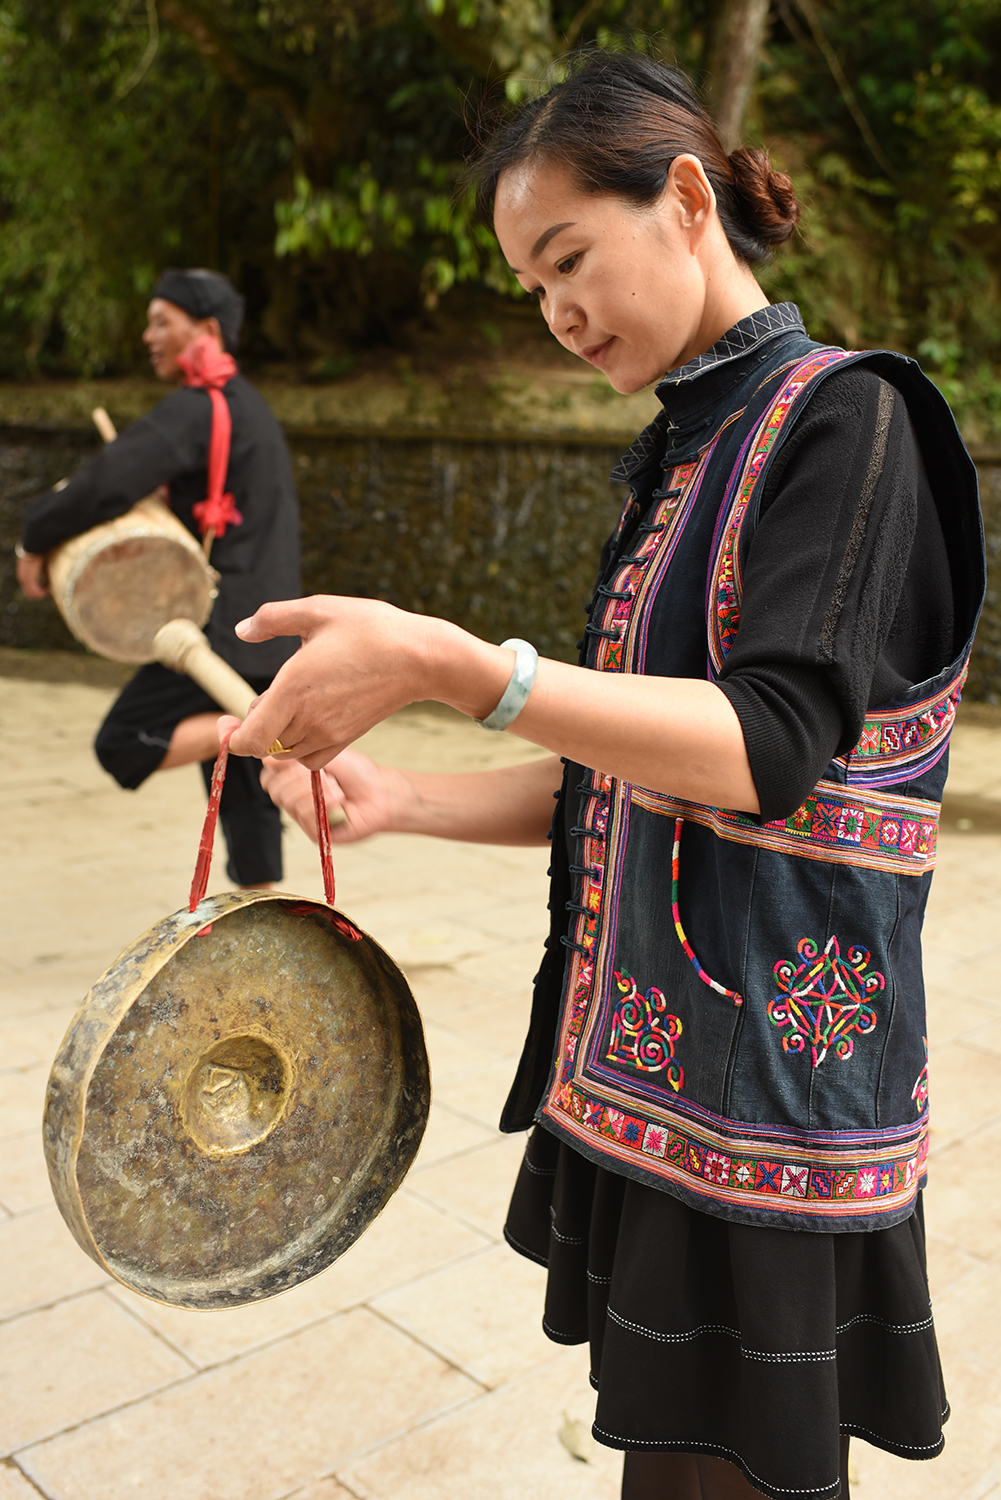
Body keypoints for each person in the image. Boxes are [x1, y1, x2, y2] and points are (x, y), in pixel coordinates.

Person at [221, 53, 982, 1499]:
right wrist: (406, 802)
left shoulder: (848, 422)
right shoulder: (685, 451)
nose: (557, 311)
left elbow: (767, 753)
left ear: (686, 200)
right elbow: (625, 777)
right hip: (658, 1077)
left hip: (770, 1101)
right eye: (530, 285)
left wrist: (459, 663)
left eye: (569, 257)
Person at [16, 268, 302, 889]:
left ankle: (243, 727)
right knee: (246, 799)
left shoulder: (200, 408)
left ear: (205, 329)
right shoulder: (247, 406)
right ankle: (265, 910)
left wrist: (33, 537)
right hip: (267, 628)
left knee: (123, 742)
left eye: (160, 322)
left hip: (219, 631)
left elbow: (108, 480)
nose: (148, 335)